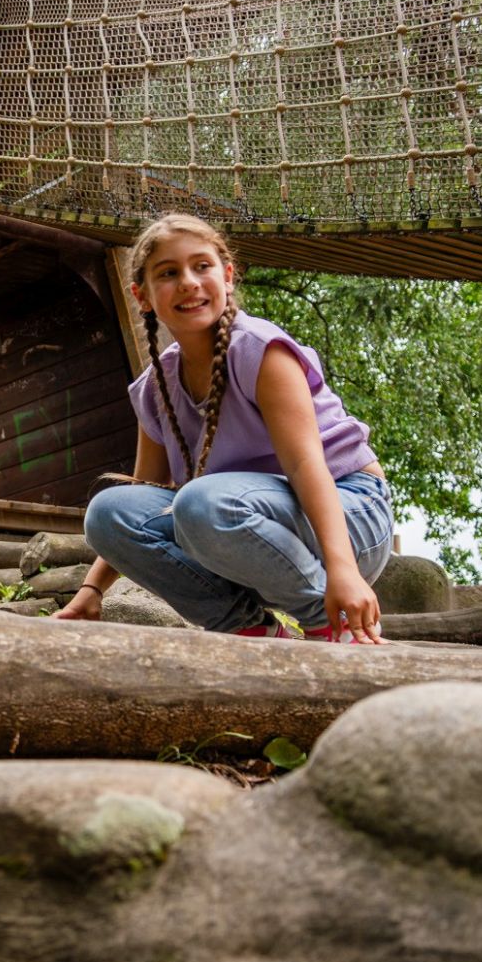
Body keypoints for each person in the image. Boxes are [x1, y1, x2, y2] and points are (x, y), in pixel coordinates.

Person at [56, 213, 394, 643]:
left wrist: (343, 571)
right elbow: (141, 501)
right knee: (108, 512)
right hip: (241, 529)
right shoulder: (156, 387)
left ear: (228, 276)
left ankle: (331, 620)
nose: (188, 282)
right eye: (168, 273)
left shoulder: (260, 351)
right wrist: (92, 590)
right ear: (142, 296)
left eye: (202, 266)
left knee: (200, 503)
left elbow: (306, 464)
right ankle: (249, 627)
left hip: (348, 515)